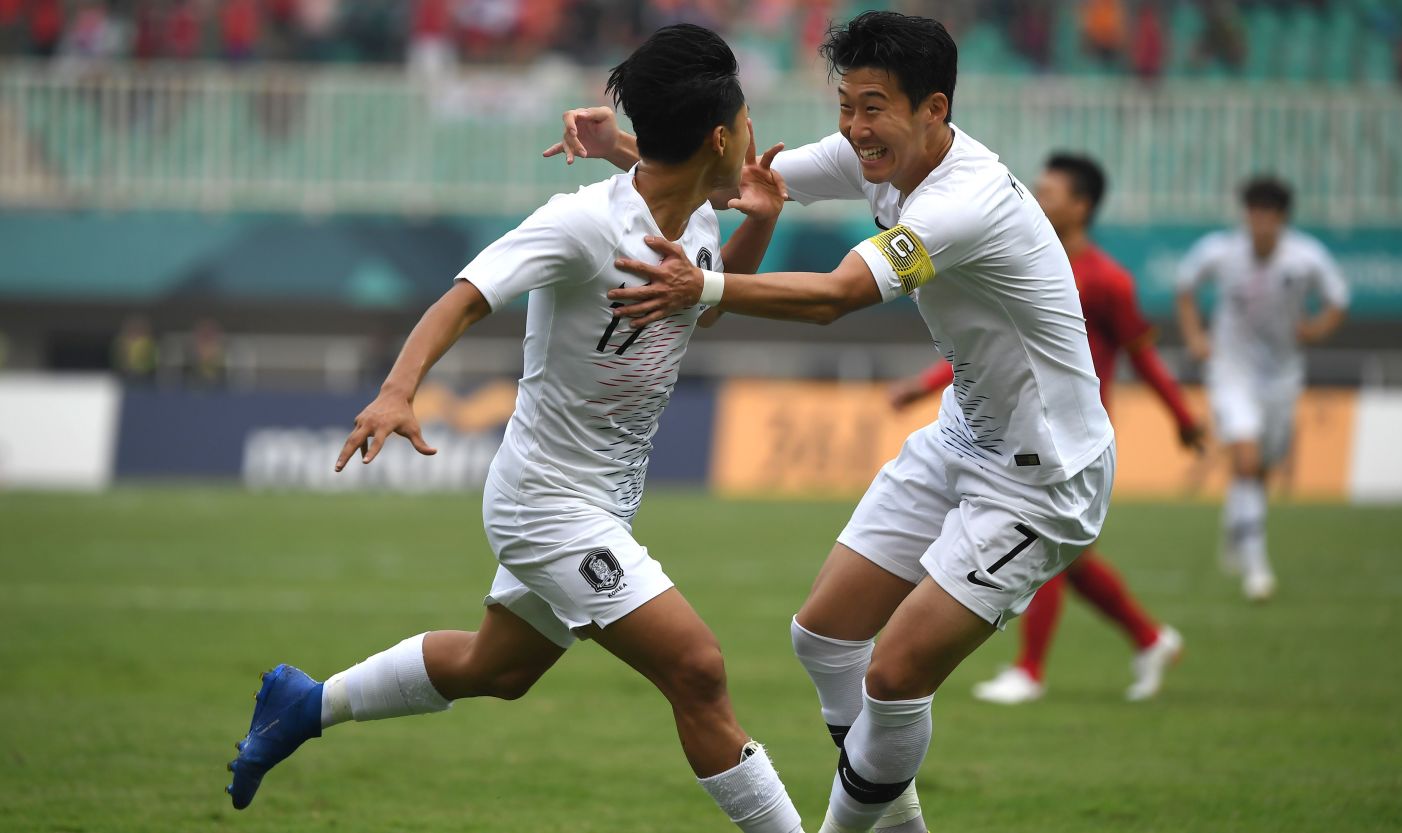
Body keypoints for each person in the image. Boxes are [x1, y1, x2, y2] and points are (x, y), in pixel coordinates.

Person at [226, 25, 811, 833]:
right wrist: (397, 391)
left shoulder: (697, 216)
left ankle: (304, 702)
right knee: (698, 669)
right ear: (723, 137)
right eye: (745, 116)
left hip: (602, 498)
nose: (753, 129)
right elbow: (464, 294)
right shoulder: (580, 224)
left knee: (494, 667)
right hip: (546, 500)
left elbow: (701, 307)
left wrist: (760, 222)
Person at [550, 13, 1115, 832]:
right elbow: (733, 178)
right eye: (847, 104)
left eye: (874, 107)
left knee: (894, 675)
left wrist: (702, 289)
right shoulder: (876, 156)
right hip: (965, 434)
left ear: (935, 108)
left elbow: (837, 296)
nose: (854, 129)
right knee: (822, 637)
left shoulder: (965, 202)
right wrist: (622, 149)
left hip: (1044, 475)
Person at [891, 152, 1199, 705]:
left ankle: (1030, 670)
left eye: (1049, 191)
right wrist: (923, 383)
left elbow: (1145, 359)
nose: (1035, 196)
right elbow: (992, 346)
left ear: (1081, 206)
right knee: (1066, 560)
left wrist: (1182, 418)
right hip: (1013, 429)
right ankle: (1150, 639)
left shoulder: (1108, 280)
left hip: (1068, 442)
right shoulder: (1022, 257)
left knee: (1034, 539)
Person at [1175, 176, 1348, 601]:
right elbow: (1185, 287)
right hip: (1231, 372)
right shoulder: (1220, 251)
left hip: (1282, 377)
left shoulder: (1305, 258)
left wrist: (1317, 329)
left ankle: (1237, 527)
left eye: (1269, 214)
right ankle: (1257, 568)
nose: (1260, 222)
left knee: (1263, 466)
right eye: (1253, 212)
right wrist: (1196, 336)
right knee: (1247, 458)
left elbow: (1338, 300)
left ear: (1282, 219)